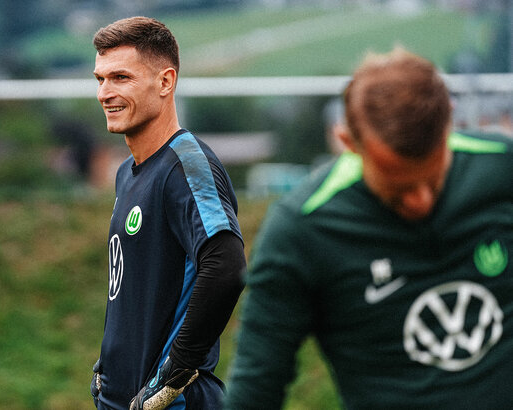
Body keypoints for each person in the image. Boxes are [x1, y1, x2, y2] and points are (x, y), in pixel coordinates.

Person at [224, 47, 513, 409]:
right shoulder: (303, 229)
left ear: (448, 123)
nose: (420, 200)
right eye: (399, 188)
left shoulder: (502, 169)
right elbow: (256, 386)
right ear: (348, 143)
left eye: (433, 178)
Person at [89, 16, 246, 410]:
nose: (105, 93)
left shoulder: (187, 166)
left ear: (165, 81)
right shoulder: (127, 173)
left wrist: (174, 375)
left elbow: (226, 264)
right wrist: (110, 365)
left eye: (121, 77)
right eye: (100, 79)